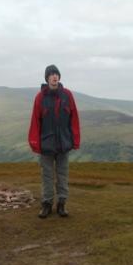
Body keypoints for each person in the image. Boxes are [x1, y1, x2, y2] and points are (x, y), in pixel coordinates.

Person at [28, 64, 81, 218]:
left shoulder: (67, 95)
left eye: (56, 74)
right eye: (51, 74)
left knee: (63, 174)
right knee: (47, 176)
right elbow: (35, 121)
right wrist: (35, 143)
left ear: (59, 77)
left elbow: (74, 118)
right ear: (47, 78)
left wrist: (74, 140)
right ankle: (46, 204)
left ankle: (62, 204)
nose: (54, 76)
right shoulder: (40, 97)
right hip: (46, 144)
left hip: (64, 143)